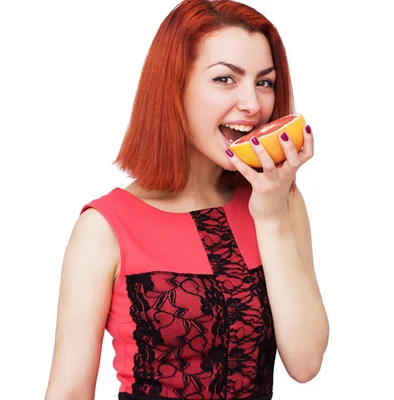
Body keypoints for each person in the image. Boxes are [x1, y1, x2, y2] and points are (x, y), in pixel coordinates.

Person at [44, 1, 329, 399]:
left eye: (264, 82)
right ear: (174, 86)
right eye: (226, 79)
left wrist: (271, 218)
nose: (253, 105)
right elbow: (70, 389)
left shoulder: (279, 202)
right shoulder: (104, 226)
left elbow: (306, 362)